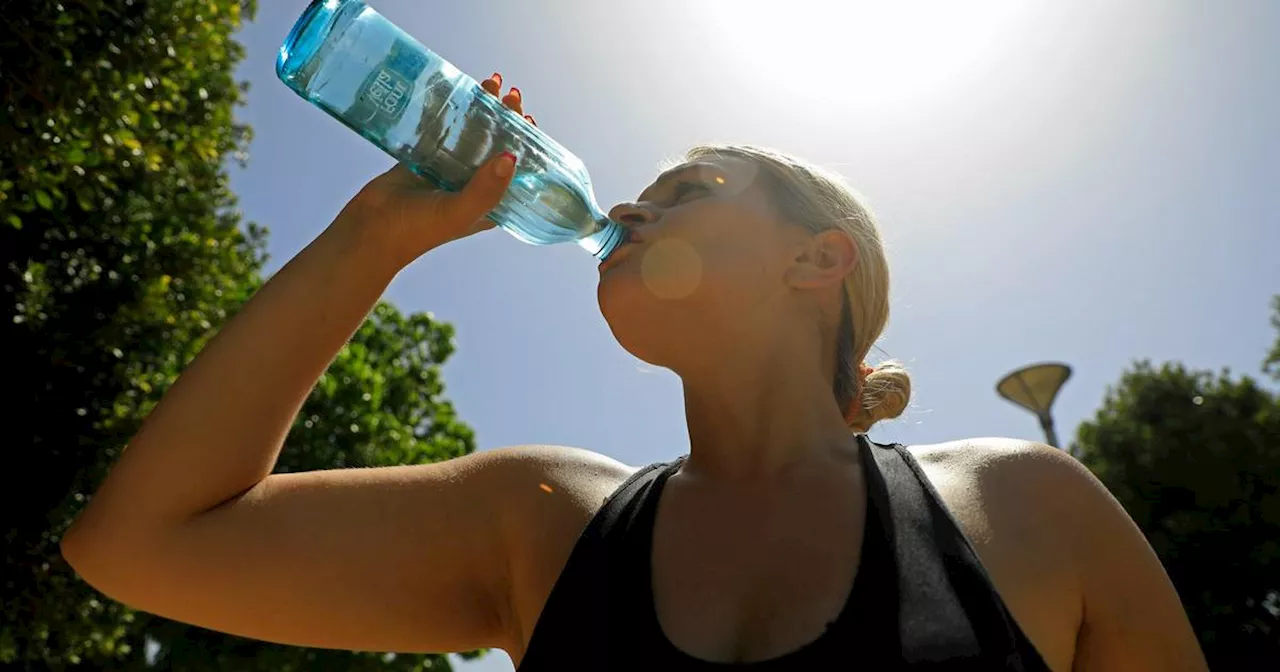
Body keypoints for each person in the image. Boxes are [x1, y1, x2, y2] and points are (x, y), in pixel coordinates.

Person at [62, 75, 1206, 671]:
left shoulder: (1021, 507)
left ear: (818, 260)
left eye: (687, 190)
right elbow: (134, 545)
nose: (624, 208)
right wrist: (376, 235)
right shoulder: (543, 520)